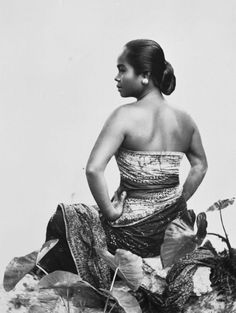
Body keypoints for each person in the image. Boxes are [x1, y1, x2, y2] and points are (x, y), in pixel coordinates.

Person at [39, 39, 208, 290]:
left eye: (122, 69)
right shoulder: (185, 120)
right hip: (171, 231)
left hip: (131, 236)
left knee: (65, 218)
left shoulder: (124, 116)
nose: (116, 77)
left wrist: (109, 211)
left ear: (145, 76)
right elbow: (200, 165)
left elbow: (94, 169)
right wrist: (177, 201)